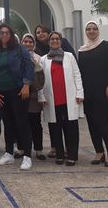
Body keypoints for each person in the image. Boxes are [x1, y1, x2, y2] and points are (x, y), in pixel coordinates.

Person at [0, 23, 35, 170]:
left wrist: (26, 84)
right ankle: (8, 153)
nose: (4, 35)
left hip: (19, 90)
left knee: (22, 123)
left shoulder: (20, 49)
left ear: (11, 34)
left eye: (7, 33)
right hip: (2, 92)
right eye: (1, 33)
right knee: (7, 123)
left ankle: (27, 156)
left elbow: (29, 67)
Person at [38, 31, 84, 166]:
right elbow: (40, 80)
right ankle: (59, 154)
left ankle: (72, 155)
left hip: (68, 98)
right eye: (52, 39)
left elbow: (77, 75)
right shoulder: (44, 59)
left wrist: (80, 93)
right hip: (52, 99)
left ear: (61, 41)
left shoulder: (69, 56)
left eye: (57, 39)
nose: (55, 41)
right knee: (55, 128)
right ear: (49, 42)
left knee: (71, 128)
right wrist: (41, 96)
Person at [78, 21, 108, 167]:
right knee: (92, 124)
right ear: (85, 31)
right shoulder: (82, 50)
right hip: (88, 92)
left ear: (98, 30)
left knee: (102, 123)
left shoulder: (106, 46)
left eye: (94, 29)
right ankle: (99, 152)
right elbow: (80, 73)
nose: (91, 31)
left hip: (103, 90)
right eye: (88, 29)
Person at [34, 24, 76, 158]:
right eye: (38, 32)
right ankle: (56, 148)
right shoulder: (40, 52)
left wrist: (78, 91)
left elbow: (74, 70)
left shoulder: (67, 53)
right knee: (54, 123)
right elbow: (41, 76)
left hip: (66, 92)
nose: (40, 34)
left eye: (43, 31)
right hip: (50, 93)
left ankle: (71, 151)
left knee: (68, 124)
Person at [21, 34, 46, 160]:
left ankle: (39, 149)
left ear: (34, 44)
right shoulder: (17, 57)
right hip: (21, 95)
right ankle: (22, 149)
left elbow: (42, 78)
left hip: (34, 96)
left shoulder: (39, 59)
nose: (27, 44)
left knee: (35, 122)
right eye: (25, 41)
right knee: (21, 123)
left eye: (30, 42)